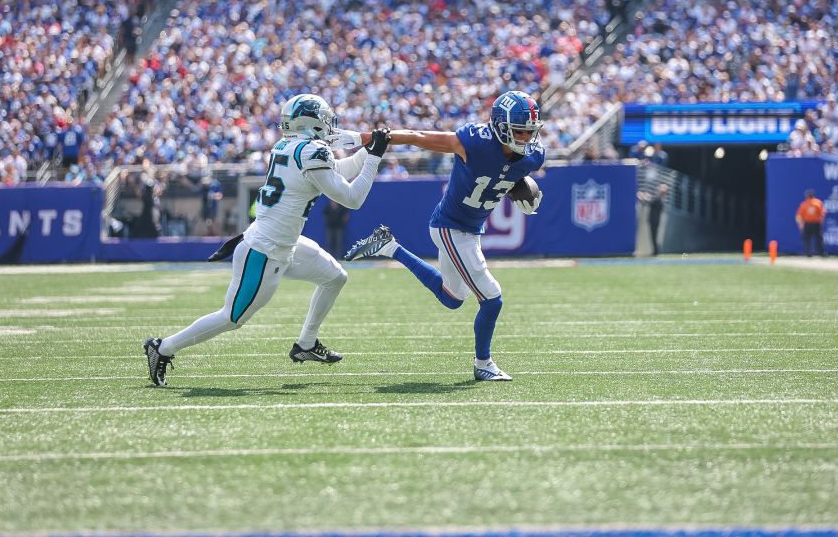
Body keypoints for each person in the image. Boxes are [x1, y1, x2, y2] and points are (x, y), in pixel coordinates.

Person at [142, 94, 392, 387]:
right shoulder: (312, 152)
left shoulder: (288, 146)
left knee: (335, 277)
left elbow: (337, 172)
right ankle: (162, 347)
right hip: (264, 251)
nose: (329, 124)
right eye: (324, 118)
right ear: (311, 122)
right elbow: (352, 198)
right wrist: (373, 156)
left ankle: (306, 345)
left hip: (285, 244)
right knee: (232, 318)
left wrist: (372, 149)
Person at [343, 90, 546, 382]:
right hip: (452, 226)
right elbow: (418, 136)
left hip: (470, 228)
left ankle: (390, 247)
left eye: (530, 132)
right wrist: (374, 137)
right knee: (492, 298)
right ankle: (483, 363)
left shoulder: (533, 156)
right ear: (501, 127)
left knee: (452, 298)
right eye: (520, 132)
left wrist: (519, 189)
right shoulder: (474, 142)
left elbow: (507, 174)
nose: (527, 139)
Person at [795, 188, 827, 257]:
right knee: (817, 239)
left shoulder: (805, 204)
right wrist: (821, 222)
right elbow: (822, 214)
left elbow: (798, 216)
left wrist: (801, 225)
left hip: (809, 224)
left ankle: (809, 253)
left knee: (808, 239)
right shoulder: (818, 202)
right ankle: (821, 253)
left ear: (807, 196)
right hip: (815, 223)